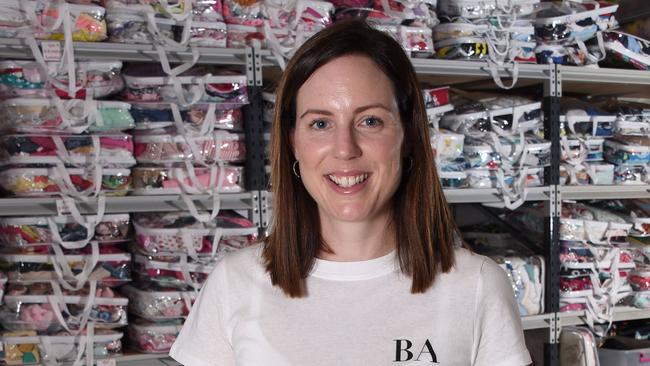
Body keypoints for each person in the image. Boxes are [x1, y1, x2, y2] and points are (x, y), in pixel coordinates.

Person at [169, 19, 532, 366]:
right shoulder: (234, 283)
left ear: (407, 135)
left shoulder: (477, 285)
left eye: (370, 121)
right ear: (294, 142)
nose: (345, 149)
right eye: (320, 123)